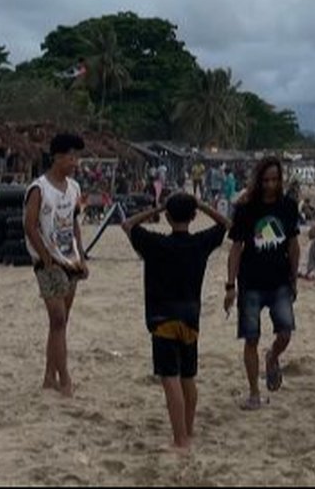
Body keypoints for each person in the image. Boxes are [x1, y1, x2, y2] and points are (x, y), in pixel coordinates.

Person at [122, 193, 231, 453]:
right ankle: (188, 431)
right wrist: (203, 205)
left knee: (170, 378)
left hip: (162, 318)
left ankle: (180, 440)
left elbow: (127, 225)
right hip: (190, 317)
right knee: (188, 377)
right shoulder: (200, 243)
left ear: (168, 218)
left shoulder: (155, 243)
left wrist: (157, 207)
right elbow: (227, 224)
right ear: (193, 217)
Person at [223, 157, 301, 411]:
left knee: (286, 332)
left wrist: (294, 276)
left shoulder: (288, 206)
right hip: (250, 282)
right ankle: (254, 392)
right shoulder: (246, 208)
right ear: (259, 180)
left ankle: (273, 356)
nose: (270, 185)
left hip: (279, 280)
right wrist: (230, 285)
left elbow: (293, 244)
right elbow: (235, 248)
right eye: (266, 180)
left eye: (275, 180)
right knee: (251, 338)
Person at [23, 133, 89, 398]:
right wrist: (45, 256)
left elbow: (74, 223)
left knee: (60, 323)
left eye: (77, 157)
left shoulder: (73, 188)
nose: (76, 162)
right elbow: (29, 224)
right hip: (47, 261)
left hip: (69, 259)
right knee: (58, 319)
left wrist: (81, 256)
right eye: (72, 156)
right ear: (58, 157)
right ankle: (65, 380)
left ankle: (49, 376)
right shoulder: (39, 188)